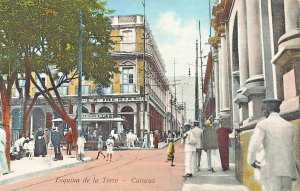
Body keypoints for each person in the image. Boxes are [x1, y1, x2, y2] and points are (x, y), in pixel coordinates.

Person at [247, 99, 297, 191]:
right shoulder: (289, 126)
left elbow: (254, 145)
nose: (263, 111)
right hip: (287, 171)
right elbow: (291, 150)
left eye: (263, 109)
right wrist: (294, 172)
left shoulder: (263, 124)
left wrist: (251, 161)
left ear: (268, 108)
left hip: (270, 170)